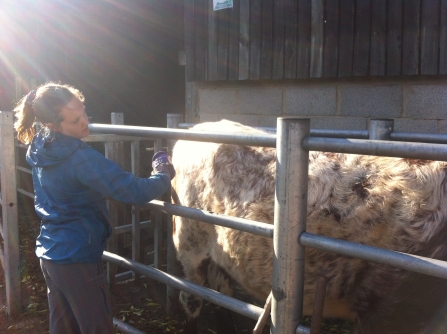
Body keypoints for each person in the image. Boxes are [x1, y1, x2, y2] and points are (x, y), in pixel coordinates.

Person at [13, 82, 175, 334]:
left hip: (51, 255)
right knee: (97, 328)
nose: (85, 122)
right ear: (52, 124)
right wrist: (162, 173)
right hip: (78, 259)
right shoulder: (80, 157)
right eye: (75, 120)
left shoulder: (41, 145)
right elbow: (135, 191)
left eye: (84, 112)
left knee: (63, 327)